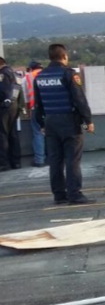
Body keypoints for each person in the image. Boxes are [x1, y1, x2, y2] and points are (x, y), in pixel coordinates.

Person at [32, 44, 95, 204]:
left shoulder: (40, 76)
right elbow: (79, 99)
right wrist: (88, 120)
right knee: (72, 160)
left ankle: (59, 195)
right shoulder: (69, 74)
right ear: (64, 56)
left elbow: (38, 104)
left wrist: (42, 124)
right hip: (69, 122)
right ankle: (75, 195)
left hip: (50, 122)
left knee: (55, 160)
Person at [0, 57, 24, 171]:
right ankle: (16, 162)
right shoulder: (16, 74)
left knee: (2, 135)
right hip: (14, 106)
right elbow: (19, 91)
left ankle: (4, 163)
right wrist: (20, 106)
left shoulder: (2, 74)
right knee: (13, 134)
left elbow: (2, 92)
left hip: (4, 107)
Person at [23, 61, 47, 167]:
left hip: (36, 109)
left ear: (31, 68)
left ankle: (39, 160)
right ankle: (55, 158)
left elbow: (26, 98)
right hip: (51, 108)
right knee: (53, 133)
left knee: (38, 133)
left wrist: (28, 111)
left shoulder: (27, 78)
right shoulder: (48, 74)